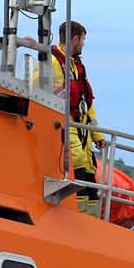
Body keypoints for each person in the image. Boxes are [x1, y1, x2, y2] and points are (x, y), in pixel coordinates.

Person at [43, 20, 105, 214]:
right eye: (83, 39)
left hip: (82, 129)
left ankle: (91, 222)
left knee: (90, 172)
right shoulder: (52, 62)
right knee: (77, 163)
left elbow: (89, 103)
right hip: (64, 123)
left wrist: (97, 135)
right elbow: (38, 90)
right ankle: (78, 217)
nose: (84, 44)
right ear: (75, 38)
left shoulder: (77, 66)